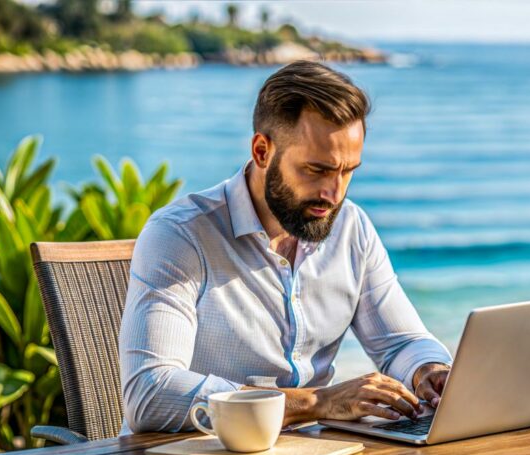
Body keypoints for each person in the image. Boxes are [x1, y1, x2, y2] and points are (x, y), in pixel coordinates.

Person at [119, 60, 452, 434]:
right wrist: (317, 403)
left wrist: (429, 370)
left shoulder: (351, 228)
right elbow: (150, 394)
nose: (334, 193)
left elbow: (400, 343)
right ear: (262, 151)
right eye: (316, 170)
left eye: (348, 171)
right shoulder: (181, 236)